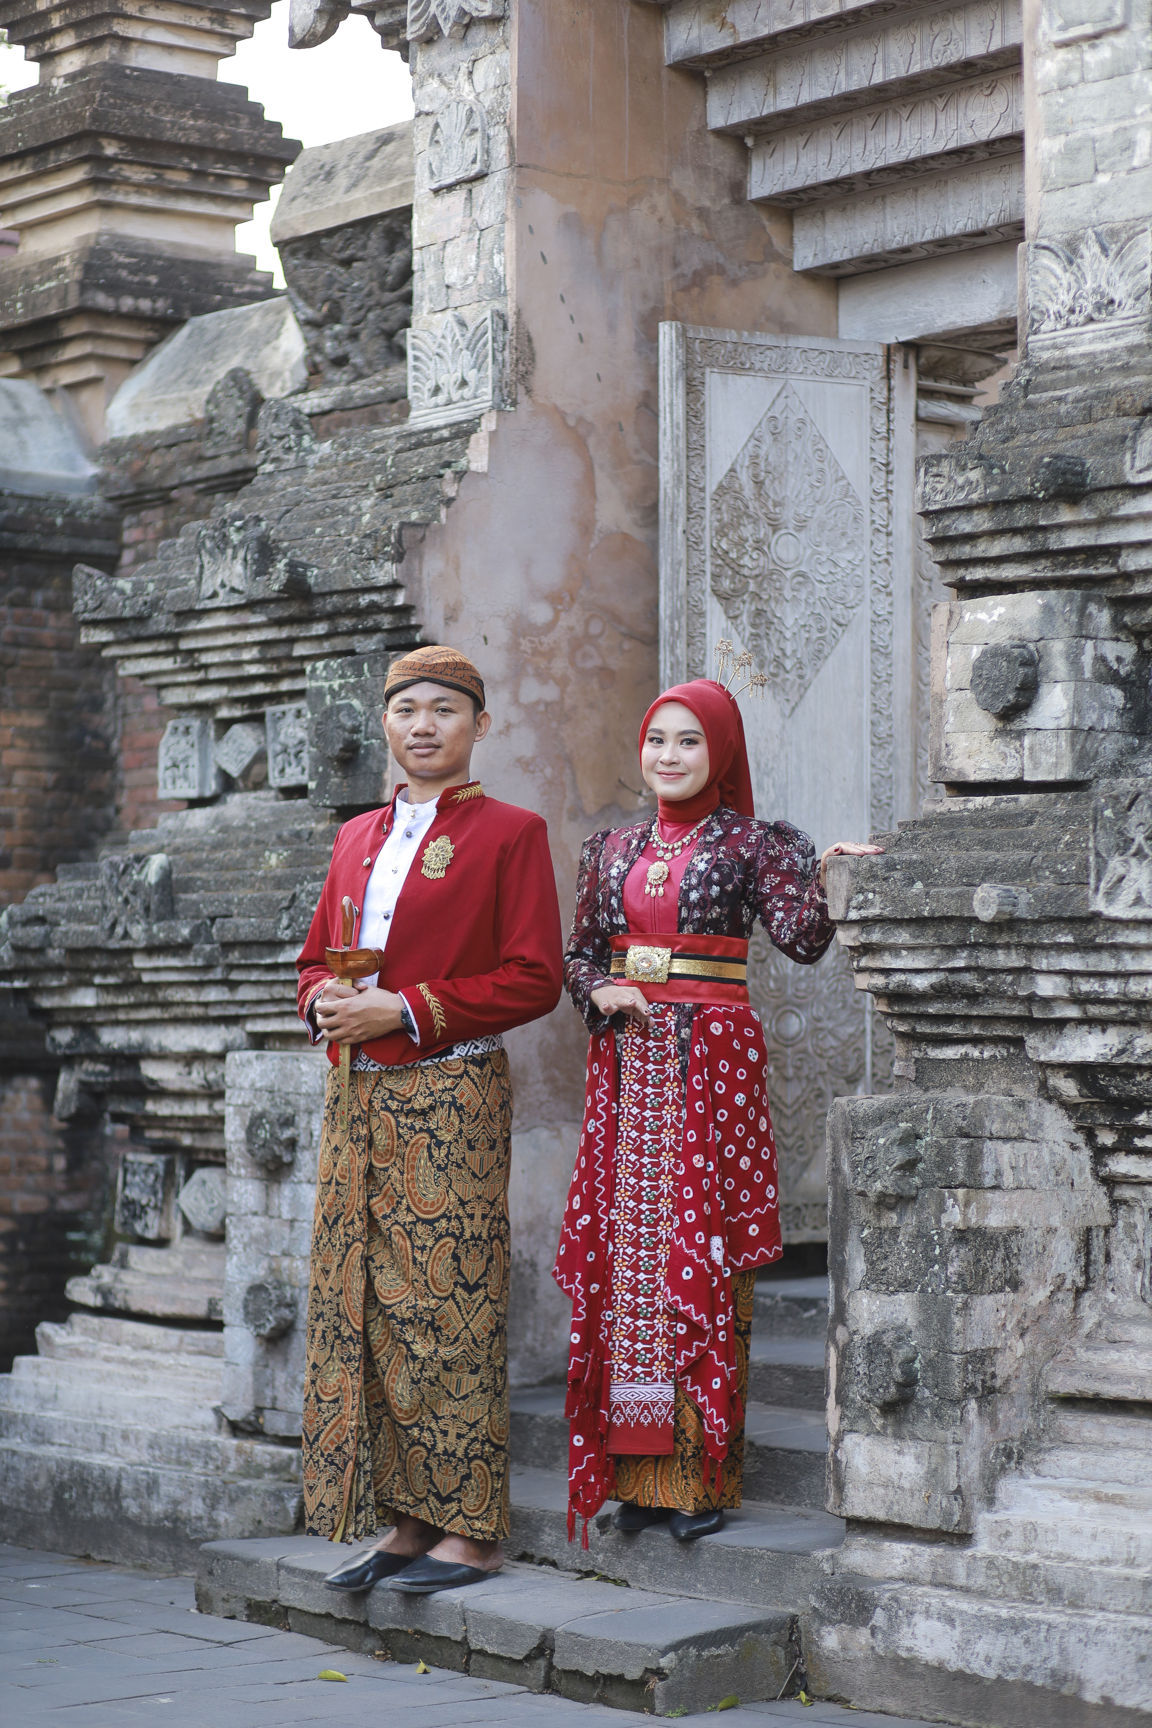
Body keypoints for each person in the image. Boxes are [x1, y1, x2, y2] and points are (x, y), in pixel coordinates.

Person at [554, 672, 880, 1542]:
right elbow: (578, 955)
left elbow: (803, 942)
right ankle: (638, 1478)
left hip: (711, 1068)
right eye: (657, 740)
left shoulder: (753, 844)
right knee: (631, 1264)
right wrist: (602, 989)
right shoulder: (609, 849)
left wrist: (830, 874)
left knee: (700, 1251)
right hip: (629, 1066)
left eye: (689, 740)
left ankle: (698, 1480)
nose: (669, 755)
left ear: (721, 750)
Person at [296, 644, 563, 1596]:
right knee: (369, 1305)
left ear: (479, 726)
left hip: (451, 1092)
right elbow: (313, 961)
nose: (423, 725)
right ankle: (408, 1521)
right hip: (356, 1095)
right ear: (384, 722)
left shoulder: (511, 833)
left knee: (448, 1304)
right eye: (406, 708)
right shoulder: (356, 836)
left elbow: (534, 976)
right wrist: (327, 1003)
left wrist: (403, 1009)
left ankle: (472, 1531)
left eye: (444, 709)